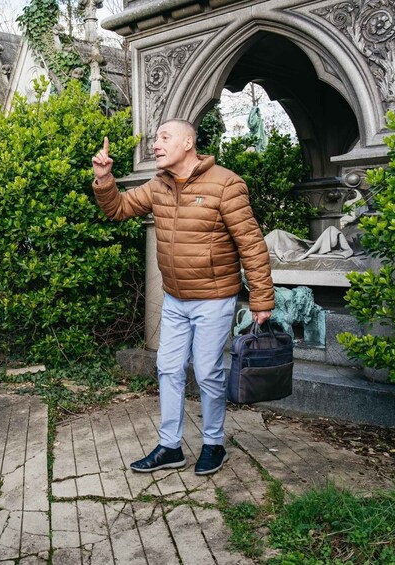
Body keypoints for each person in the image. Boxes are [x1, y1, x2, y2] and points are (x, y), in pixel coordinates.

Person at [91, 120, 274, 476]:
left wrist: (261, 299)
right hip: (175, 299)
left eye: (164, 138)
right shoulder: (159, 185)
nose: (155, 144)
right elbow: (119, 209)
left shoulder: (226, 183)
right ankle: (170, 447)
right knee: (169, 369)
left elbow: (251, 244)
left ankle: (213, 444)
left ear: (188, 142)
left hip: (214, 298)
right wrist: (103, 180)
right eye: (155, 139)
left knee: (207, 372)